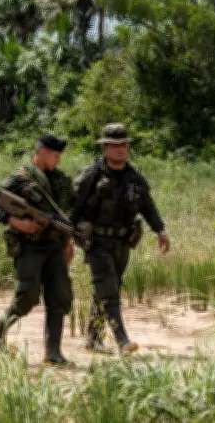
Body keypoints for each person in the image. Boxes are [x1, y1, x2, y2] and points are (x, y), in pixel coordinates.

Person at [70, 123, 169, 355]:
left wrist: (160, 230)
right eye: (114, 146)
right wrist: (67, 237)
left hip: (123, 243)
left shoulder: (134, 178)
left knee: (104, 291)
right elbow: (73, 207)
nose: (120, 149)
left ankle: (92, 340)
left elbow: (148, 206)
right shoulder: (92, 175)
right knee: (110, 291)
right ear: (105, 148)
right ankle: (123, 341)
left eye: (123, 145)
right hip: (96, 243)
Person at [0, 134, 76, 366]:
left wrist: (68, 243)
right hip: (29, 247)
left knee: (59, 297)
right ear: (43, 153)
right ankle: (0, 331)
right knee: (27, 297)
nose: (58, 160)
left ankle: (53, 352)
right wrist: (16, 223)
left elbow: (68, 216)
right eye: (55, 155)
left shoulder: (61, 181)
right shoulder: (20, 178)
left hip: (55, 247)